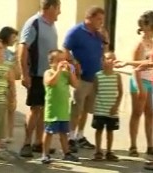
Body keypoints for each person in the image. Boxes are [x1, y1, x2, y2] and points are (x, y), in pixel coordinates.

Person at [18, 0, 61, 157]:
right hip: (36, 74)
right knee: (35, 108)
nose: (60, 12)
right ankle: (26, 143)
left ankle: (39, 142)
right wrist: (24, 73)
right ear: (50, 7)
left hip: (48, 75)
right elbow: (23, 48)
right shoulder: (33, 23)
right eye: (58, 8)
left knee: (44, 109)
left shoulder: (51, 25)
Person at [63, 6, 106, 152]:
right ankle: (70, 137)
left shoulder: (97, 35)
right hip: (81, 78)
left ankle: (80, 136)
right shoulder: (76, 32)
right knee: (77, 108)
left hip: (95, 77)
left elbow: (102, 52)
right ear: (90, 18)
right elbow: (65, 50)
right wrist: (74, 64)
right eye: (99, 19)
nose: (101, 22)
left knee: (87, 108)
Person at [116, 11, 153, 157]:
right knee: (137, 113)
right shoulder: (139, 44)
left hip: (150, 81)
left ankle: (150, 144)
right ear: (144, 26)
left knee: (150, 113)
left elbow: (151, 63)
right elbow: (135, 68)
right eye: (149, 23)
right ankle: (133, 145)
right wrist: (140, 87)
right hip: (138, 81)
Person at [41, 50, 78, 164]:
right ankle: (45, 154)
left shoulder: (66, 74)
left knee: (63, 133)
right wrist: (57, 71)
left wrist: (71, 72)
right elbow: (50, 82)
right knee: (49, 132)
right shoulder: (49, 72)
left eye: (64, 60)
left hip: (63, 110)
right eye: (58, 60)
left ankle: (66, 153)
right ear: (51, 62)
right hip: (52, 110)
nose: (62, 63)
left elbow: (75, 84)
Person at [92, 52, 122, 161]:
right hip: (100, 109)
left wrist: (116, 106)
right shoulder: (98, 75)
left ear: (114, 61)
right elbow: (94, 91)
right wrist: (94, 106)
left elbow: (120, 92)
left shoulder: (117, 76)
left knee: (110, 131)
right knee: (98, 130)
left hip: (112, 110)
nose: (106, 61)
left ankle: (109, 151)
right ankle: (98, 151)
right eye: (104, 58)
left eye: (109, 58)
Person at [0, 26, 18, 143]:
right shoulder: (0, 51)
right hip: (1, 84)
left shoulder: (11, 53)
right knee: (2, 110)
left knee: (11, 109)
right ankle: (2, 134)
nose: (15, 39)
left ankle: (10, 134)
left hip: (11, 84)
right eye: (13, 37)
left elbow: (16, 72)